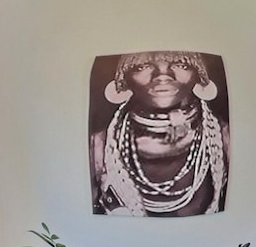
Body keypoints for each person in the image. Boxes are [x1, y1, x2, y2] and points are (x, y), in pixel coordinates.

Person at [89, 51, 230, 217]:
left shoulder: (223, 136)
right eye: (142, 66)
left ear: (199, 75)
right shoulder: (99, 144)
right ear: (123, 79)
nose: (163, 76)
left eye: (181, 65)